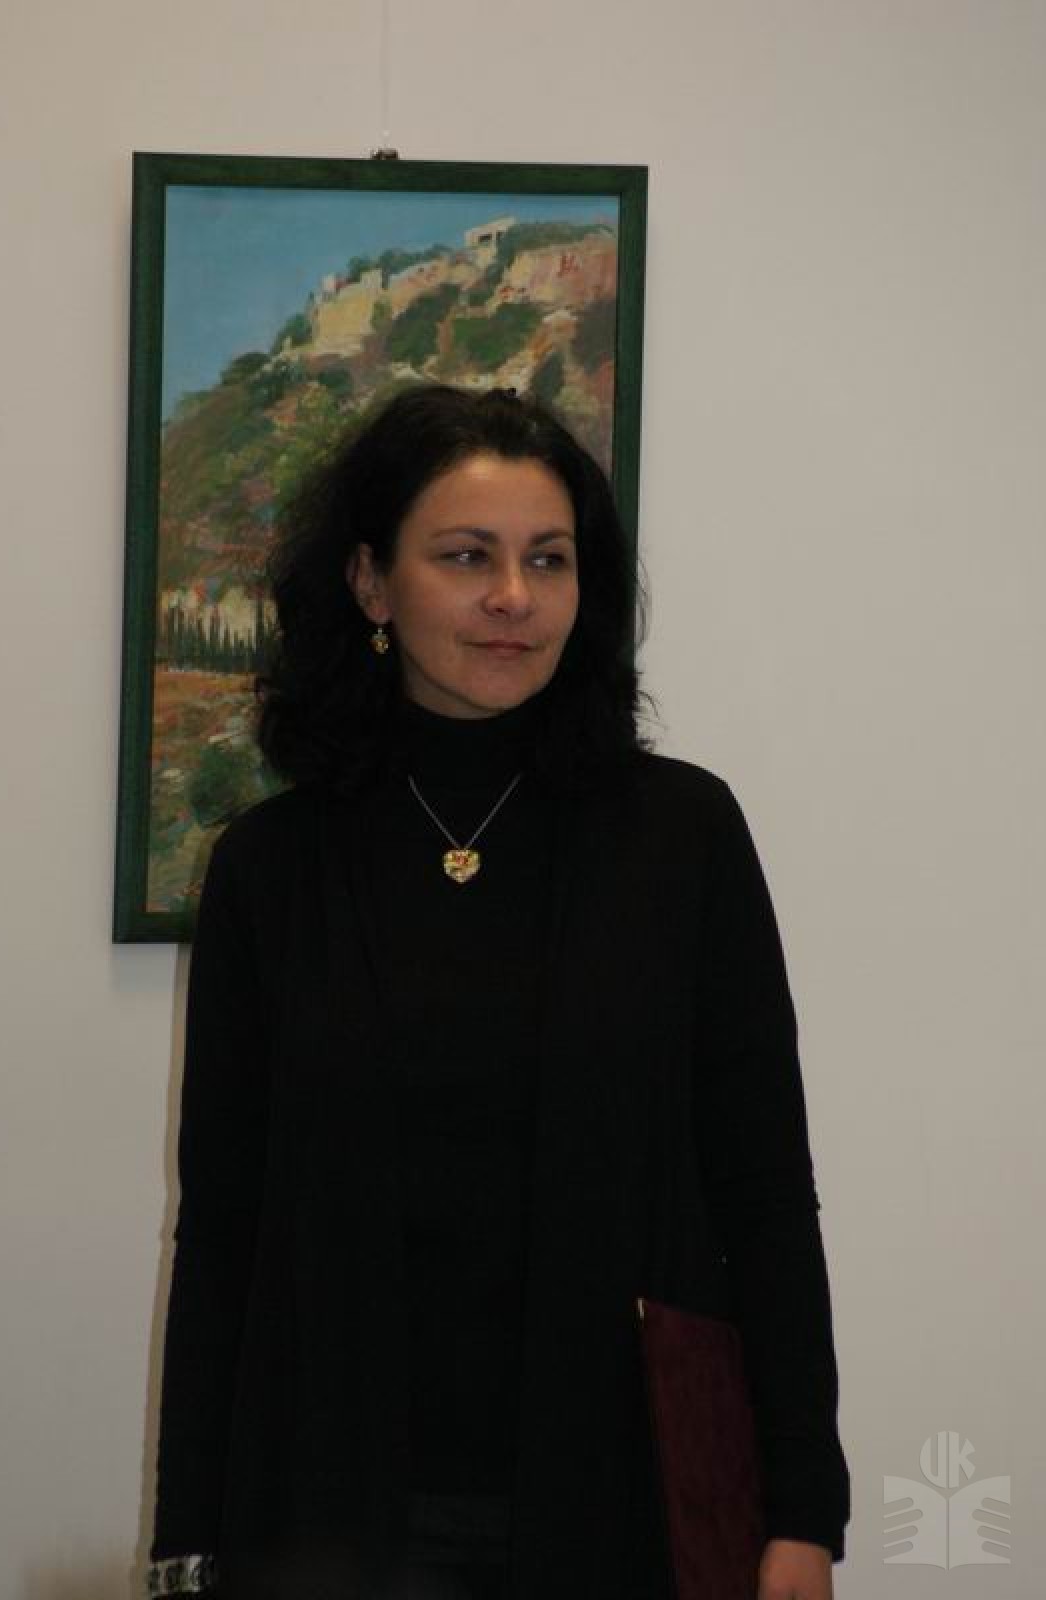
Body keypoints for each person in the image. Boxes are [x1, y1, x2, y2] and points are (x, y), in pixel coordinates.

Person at [147, 383, 851, 1600]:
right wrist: (186, 1538)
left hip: (628, 1497)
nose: (513, 596)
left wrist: (800, 1509)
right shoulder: (269, 868)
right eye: (466, 555)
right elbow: (222, 1225)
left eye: (548, 559)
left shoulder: (682, 836)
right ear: (371, 583)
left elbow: (765, 1194)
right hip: (327, 1511)